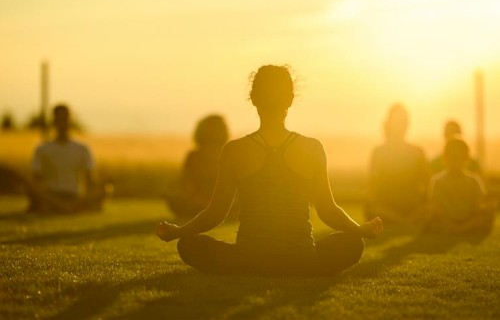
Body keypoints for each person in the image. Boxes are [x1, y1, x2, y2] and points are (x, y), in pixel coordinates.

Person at [157, 65, 383, 276]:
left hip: (248, 259)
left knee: (188, 244)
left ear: (254, 99)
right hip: (301, 258)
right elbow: (328, 210)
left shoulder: (234, 150)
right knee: (352, 243)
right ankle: (294, 268)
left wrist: (179, 232)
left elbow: (216, 213)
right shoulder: (312, 148)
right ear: (290, 99)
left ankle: (258, 267)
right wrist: (359, 230)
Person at [26, 104, 106, 213]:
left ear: (70, 121)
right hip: (50, 196)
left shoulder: (82, 149)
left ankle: (64, 207)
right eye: (60, 119)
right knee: (31, 190)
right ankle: (68, 207)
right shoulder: (42, 149)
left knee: (106, 189)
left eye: (65, 119)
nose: (63, 123)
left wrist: (88, 196)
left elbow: (90, 180)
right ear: (54, 122)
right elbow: (36, 181)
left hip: (74, 195)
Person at [366, 103, 429, 224]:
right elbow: (372, 186)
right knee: (374, 210)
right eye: (397, 122)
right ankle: (402, 220)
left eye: (402, 122)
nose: (400, 126)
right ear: (389, 124)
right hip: (386, 207)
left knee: (429, 209)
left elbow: (428, 184)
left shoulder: (417, 152)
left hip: (412, 207)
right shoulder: (379, 153)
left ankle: (402, 220)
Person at [426, 137, 495, 234]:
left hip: (469, 220)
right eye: (452, 157)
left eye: (459, 157)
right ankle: (459, 228)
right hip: (446, 220)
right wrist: (450, 224)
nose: (456, 162)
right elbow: (437, 209)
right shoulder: (438, 181)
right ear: (444, 158)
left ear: (467, 159)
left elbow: (478, 207)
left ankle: (461, 228)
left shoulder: (474, 180)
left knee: (488, 210)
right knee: (431, 213)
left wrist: (465, 225)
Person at [165, 114, 229, 217]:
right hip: (205, 202)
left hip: (205, 203)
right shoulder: (227, 153)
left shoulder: (194, 156)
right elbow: (187, 184)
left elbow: (186, 183)